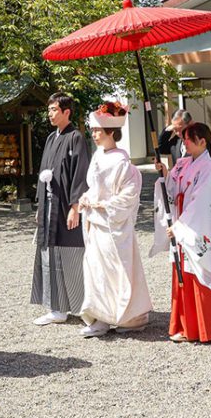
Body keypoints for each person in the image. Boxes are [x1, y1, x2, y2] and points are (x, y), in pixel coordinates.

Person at [152, 122, 211, 343]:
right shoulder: (183, 164)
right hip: (187, 221)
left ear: (202, 142)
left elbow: (204, 202)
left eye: (188, 139)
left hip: (202, 226)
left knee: (205, 265)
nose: (184, 143)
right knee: (186, 270)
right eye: (184, 139)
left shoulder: (210, 168)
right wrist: (164, 173)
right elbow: (172, 188)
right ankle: (187, 325)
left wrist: (181, 226)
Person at [77, 102, 151, 337]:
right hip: (96, 221)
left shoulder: (123, 163)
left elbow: (129, 196)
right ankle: (100, 316)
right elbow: (94, 186)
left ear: (111, 132)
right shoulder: (98, 155)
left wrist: (104, 205)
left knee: (114, 270)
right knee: (95, 269)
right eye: (94, 130)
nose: (95, 134)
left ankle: (126, 316)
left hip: (112, 223)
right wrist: (87, 197)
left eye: (98, 130)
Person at [31, 93, 91, 325]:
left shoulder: (76, 138)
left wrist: (75, 206)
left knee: (70, 254)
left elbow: (80, 174)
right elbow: (42, 172)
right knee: (48, 253)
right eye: (49, 110)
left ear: (67, 112)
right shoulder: (50, 138)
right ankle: (55, 307)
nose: (50, 114)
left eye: (55, 109)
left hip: (65, 203)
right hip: (48, 203)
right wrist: (39, 204)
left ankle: (78, 305)